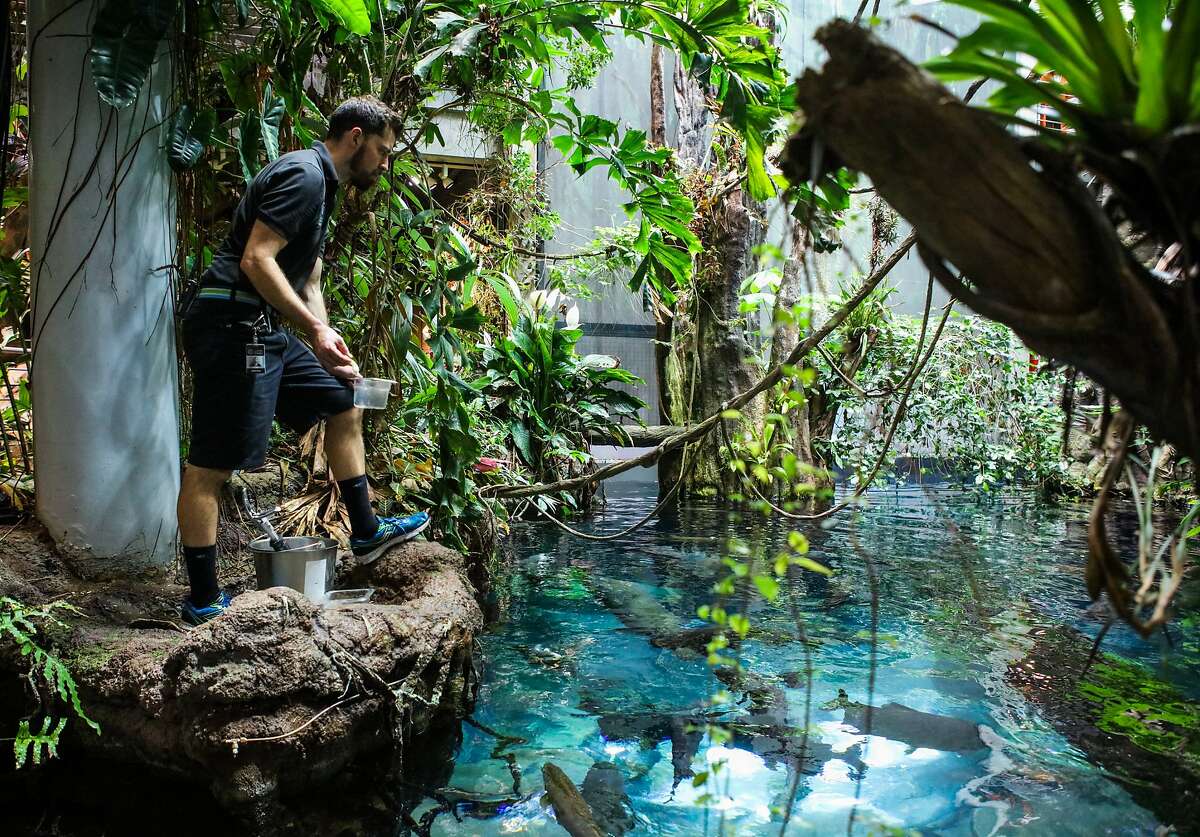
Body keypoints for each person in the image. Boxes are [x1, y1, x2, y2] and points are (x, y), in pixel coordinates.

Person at [176, 96, 428, 625]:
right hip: (231, 324)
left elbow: (307, 276)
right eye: (382, 152)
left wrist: (325, 336)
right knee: (211, 466)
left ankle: (364, 532)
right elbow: (256, 258)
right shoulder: (304, 175)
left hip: (265, 326)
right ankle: (203, 599)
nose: (385, 164)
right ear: (355, 138)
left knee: (343, 400)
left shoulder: (326, 189)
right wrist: (311, 327)